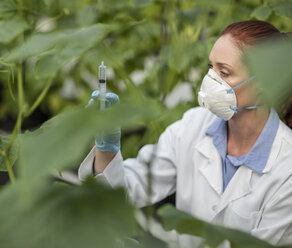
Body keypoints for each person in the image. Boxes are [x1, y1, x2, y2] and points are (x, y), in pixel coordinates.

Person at [78, 20, 292, 246]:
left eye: (225, 72)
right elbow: (124, 192)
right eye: (211, 68)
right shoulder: (194, 125)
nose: (211, 81)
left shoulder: (286, 168)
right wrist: (106, 151)